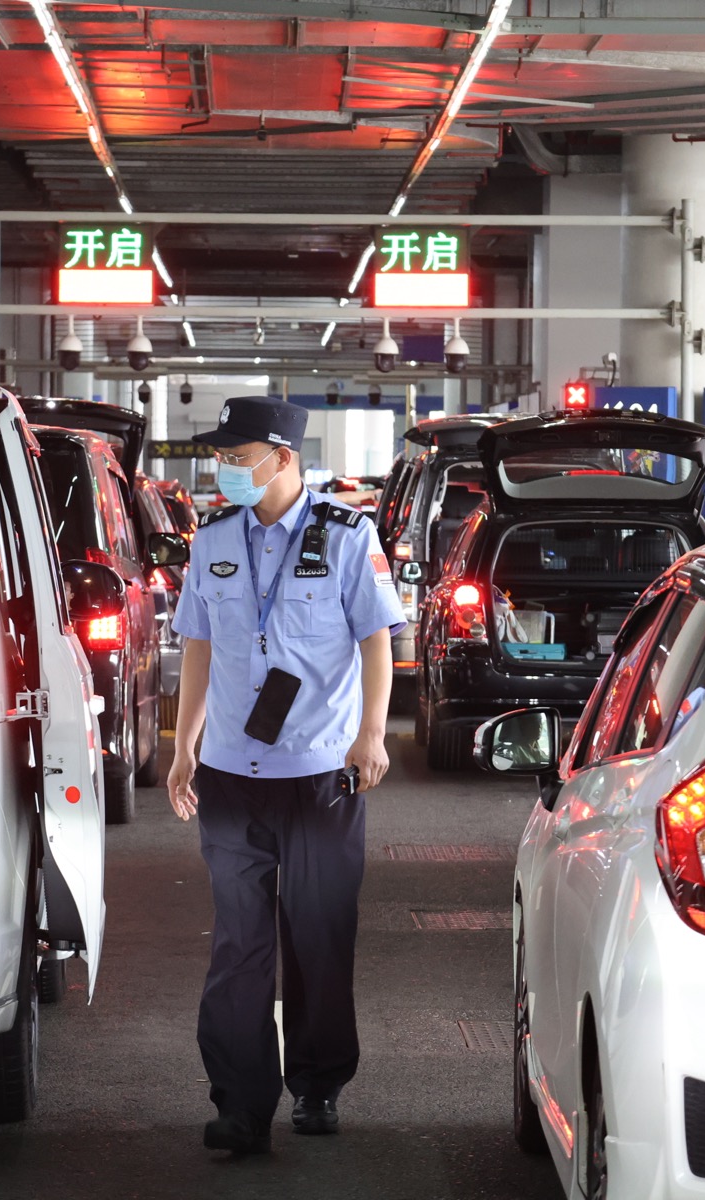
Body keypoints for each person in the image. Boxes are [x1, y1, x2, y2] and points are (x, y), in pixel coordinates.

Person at [167, 395, 404, 1155]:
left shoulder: (346, 537)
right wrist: (183, 745)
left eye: (237, 459)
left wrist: (372, 734)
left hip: (321, 774)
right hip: (232, 770)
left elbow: (376, 639)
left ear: (283, 459)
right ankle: (240, 1106)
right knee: (239, 941)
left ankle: (318, 1085)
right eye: (220, 460)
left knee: (319, 934)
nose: (225, 472)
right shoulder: (212, 541)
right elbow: (198, 645)